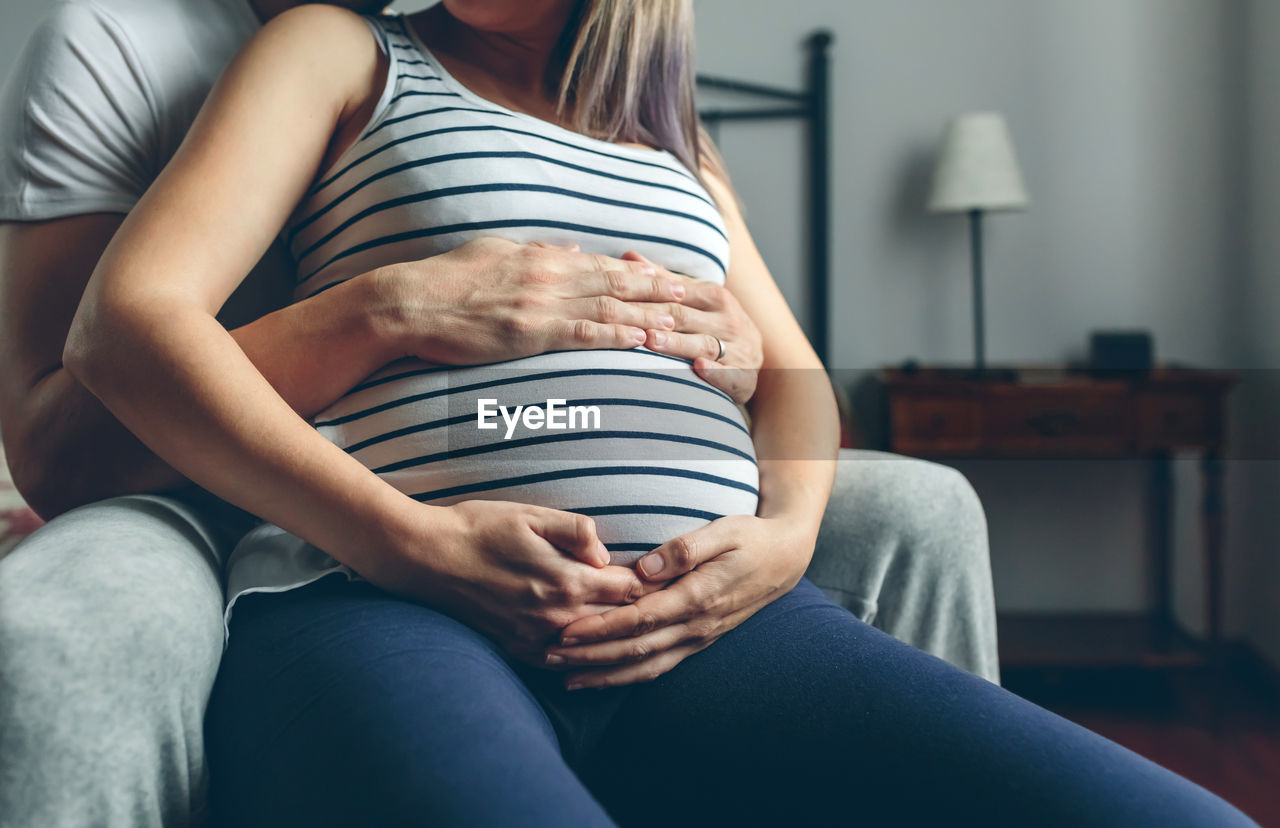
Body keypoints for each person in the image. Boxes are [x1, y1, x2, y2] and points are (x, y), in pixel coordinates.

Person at [61, 1, 1253, 825]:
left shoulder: (672, 133)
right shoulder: (335, 51)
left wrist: (781, 541)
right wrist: (406, 538)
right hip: (383, 607)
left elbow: (798, 390)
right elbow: (127, 324)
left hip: (705, 633)